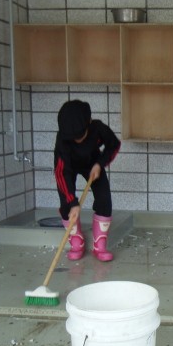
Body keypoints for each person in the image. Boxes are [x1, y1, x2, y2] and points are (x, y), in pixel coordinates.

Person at [54, 99, 120, 262]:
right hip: (68, 168)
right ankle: (76, 241)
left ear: (89, 123)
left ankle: (100, 245)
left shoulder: (97, 128)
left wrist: (100, 163)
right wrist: (73, 202)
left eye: (80, 136)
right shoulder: (63, 140)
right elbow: (62, 173)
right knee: (66, 203)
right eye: (73, 138)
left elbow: (113, 144)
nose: (77, 140)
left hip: (93, 164)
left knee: (104, 198)